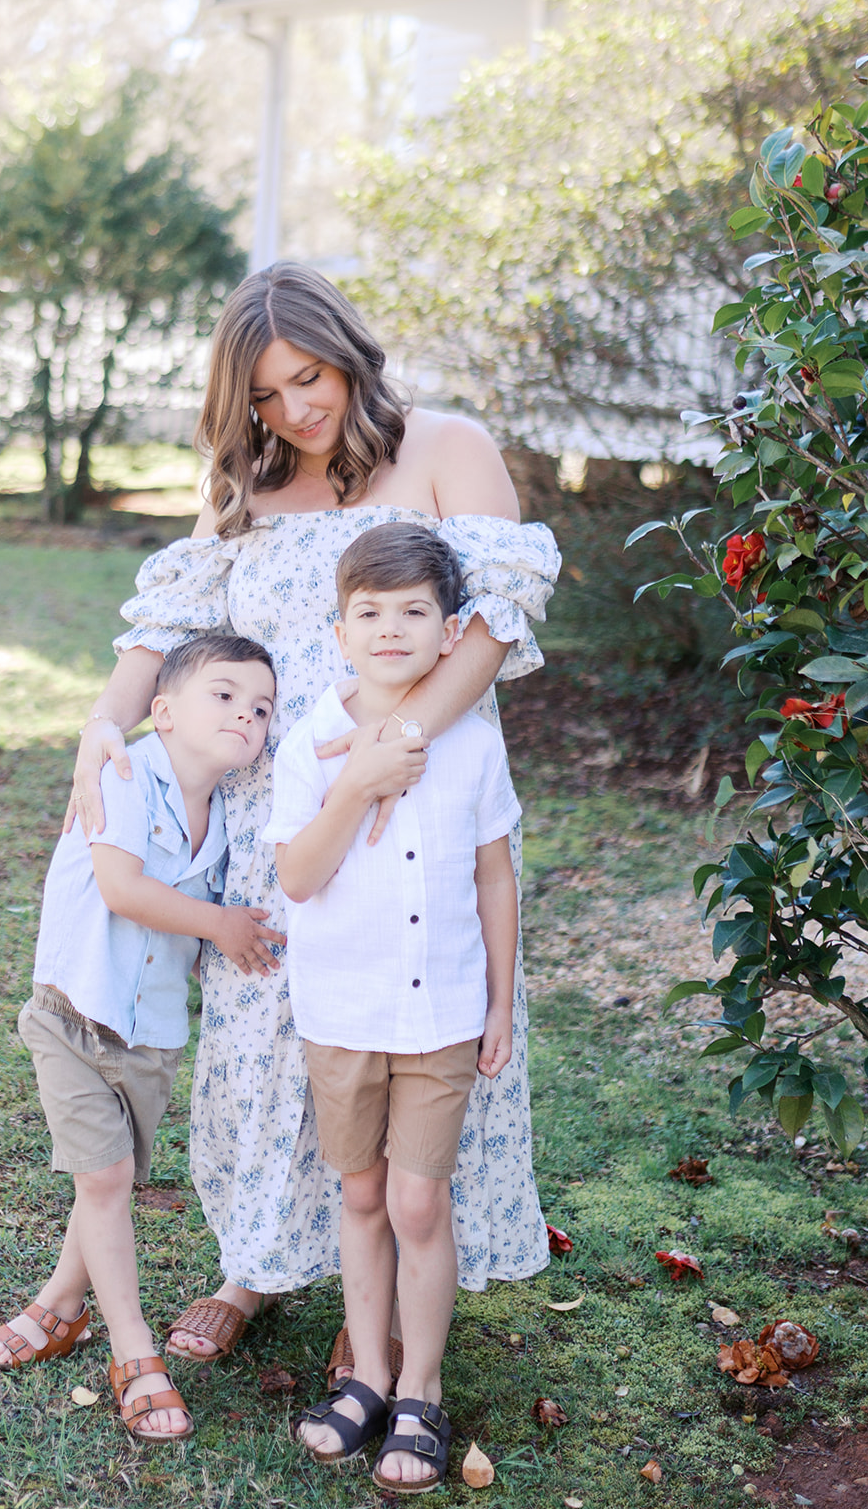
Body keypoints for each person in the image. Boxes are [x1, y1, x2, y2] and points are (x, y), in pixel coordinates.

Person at [69, 261, 559, 1378]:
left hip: (422, 804)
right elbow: (172, 625)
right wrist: (104, 722)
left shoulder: (446, 449)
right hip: (276, 820)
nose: (296, 410)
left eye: (310, 378)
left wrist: (399, 751)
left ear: (349, 352)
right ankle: (257, 1262)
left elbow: (492, 621)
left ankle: (374, 1302)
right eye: (267, 396)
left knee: (405, 1033)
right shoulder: (245, 485)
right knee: (274, 1043)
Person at [0, 637, 280, 1444]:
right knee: (104, 1180)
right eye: (224, 695)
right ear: (163, 710)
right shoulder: (128, 771)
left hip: (151, 1036)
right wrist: (221, 924)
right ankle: (135, 1356)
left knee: (106, 1182)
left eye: (261, 706)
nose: (245, 713)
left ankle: (56, 1309)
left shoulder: (232, 820)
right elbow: (121, 886)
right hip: (74, 1013)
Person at [269, 523, 520, 1491]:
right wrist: (357, 783)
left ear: (451, 632)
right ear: (339, 630)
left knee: (418, 1197)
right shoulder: (311, 742)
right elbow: (296, 873)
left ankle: (420, 1383)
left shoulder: (474, 742)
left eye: (414, 611)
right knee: (362, 1192)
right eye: (368, 612)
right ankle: (366, 1373)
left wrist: (499, 1003)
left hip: (445, 1011)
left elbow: (495, 877)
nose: (389, 628)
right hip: (341, 1012)